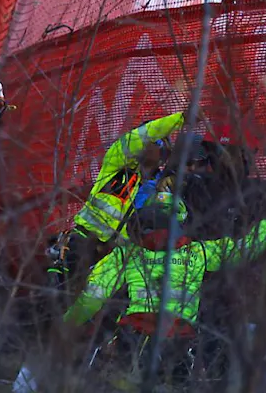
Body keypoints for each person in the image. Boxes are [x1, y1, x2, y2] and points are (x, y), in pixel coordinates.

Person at [63, 192, 266, 385]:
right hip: (179, 345)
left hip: (133, 341)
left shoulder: (126, 255)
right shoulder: (199, 252)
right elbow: (247, 249)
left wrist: (62, 328)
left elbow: (90, 300)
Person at [48, 111, 191, 289]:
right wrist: (181, 119)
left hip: (114, 257)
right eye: (155, 141)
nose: (159, 150)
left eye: (160, 145)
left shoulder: (158, 185)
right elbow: (142, 136)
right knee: (60, 292)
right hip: (85, 241)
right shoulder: (116, 163)